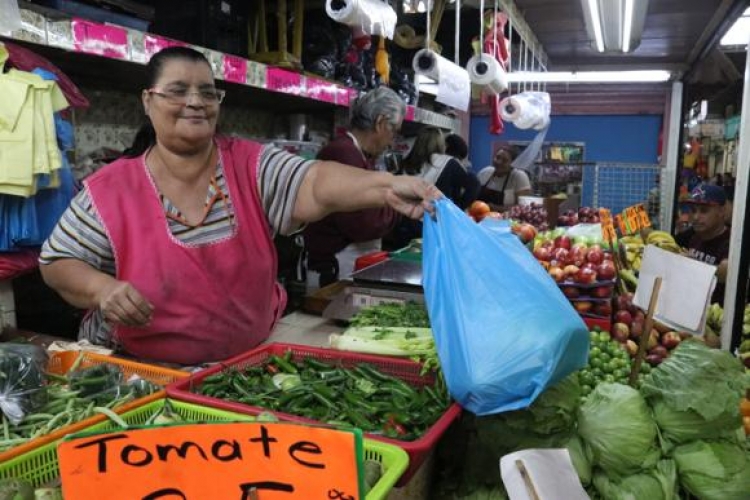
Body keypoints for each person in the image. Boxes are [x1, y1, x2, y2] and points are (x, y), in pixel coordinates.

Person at [38, 47, 438, 365]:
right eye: (178, 91)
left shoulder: (252, 166)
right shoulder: (110, 189)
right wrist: (102, 289)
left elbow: (315, 182)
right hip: (138, 372)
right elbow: (57, 263)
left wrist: (386, 185)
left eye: (207, 92)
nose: (195, 102)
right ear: (148, 100)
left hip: (241, 368)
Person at [303, 87, 405, 289]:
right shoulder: (343, 154)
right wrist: (399, 204)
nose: (391, 142)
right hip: (334, 270)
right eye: (394, 131)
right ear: (380, 123)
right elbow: (366, 223)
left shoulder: (357, 155)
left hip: (347, 266)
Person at [675, 184, 730, 306]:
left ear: (721, 211)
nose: (695, 217)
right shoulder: (695, 237)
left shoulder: (731, 242)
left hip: (717, 319)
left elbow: (725, 273)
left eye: (704, 211)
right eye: (693, 210)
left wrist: (694, 264)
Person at [401, 127, 479, 209]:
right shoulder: (447, 162)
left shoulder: (404, 163)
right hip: (436, 216)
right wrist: (459, 208)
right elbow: (474, 183)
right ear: (440, 144)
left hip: (407, 215)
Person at [476, 145, 532, 210]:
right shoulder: (485, 172)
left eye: (504, 160)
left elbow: (523, 207)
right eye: (497, 157)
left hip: (506, 219)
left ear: (513, 163)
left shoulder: (519, 177)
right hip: (479, 216)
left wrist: (496, 208)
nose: (498, 162)